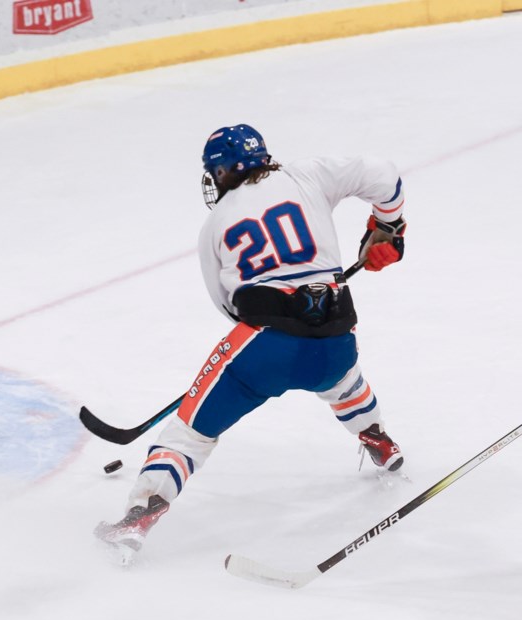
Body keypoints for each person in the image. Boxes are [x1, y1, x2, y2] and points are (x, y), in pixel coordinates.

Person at [94, 124, 407, 563]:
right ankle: (378, 438)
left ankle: (139, 514)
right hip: (337, 338)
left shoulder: (215, 225)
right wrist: (389, 228)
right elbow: (384, 173)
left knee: (189, 434)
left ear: (221, 173)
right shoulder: (307, 175)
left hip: (263, 348)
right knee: (343, 379)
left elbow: (232, 309)